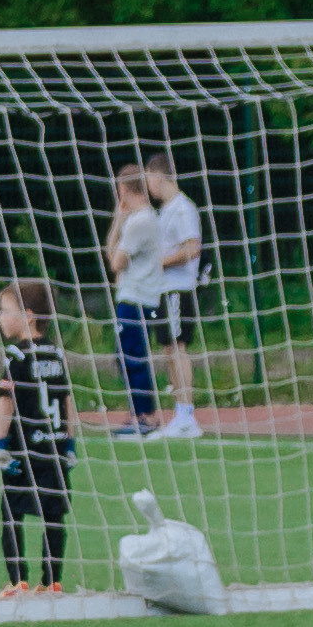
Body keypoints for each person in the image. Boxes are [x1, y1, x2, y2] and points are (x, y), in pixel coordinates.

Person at [0, 281, 79, 596]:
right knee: (53, 514)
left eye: (4, 311)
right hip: (54, 448)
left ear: (28, 316)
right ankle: (52, 580)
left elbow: (6, 401)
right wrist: (70, 442)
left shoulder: (16, 354)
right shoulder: (55, 352)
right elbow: (67, 400)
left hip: (23, 450)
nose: (0, 318)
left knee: (11, 512)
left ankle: (18, 580)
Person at [144, 148, 204, 440]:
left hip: (178, 289)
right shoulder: (165, 210)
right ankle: (179, 414)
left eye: (149, 179)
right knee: (168, 349)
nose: (147, 186)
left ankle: (186, 415)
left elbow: (193, 247)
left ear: (159, 175)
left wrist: (160, 262)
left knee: (178, 348)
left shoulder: (182, 207)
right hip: (164, 290)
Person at [105, 166, 164, 434]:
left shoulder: (142, 221)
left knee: (133, 357)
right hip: (132, 296)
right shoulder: (136, 219)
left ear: (125, 189)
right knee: (125, 356)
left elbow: (116, 262)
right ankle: (139, 413)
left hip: (137, 297)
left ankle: (146, 416)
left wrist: (120, 221)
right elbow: (111, 254)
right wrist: (118, 219)